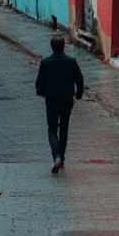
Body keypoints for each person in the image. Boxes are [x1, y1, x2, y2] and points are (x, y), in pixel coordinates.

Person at [35, 35, 84, 174]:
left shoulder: (46, 62)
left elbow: (39, 83)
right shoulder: (71, 62)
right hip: (67, 100)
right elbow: (79, 80)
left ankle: (56, 156)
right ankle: (61, 157)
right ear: (63, 47)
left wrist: (42, 92)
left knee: (52, 129)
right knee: (64, 129)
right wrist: (78, 94)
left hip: (51, 100)